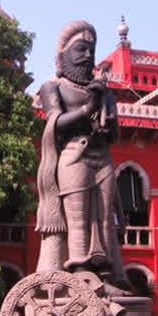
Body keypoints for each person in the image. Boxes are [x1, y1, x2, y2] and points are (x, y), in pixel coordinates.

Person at [35, 21, 128, 291]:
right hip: (73, 155)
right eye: (81, 49)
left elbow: (113, 135)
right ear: (63, 55)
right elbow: (55, 123)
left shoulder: (101, 90)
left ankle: (106, 275)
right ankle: (80, 274)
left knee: (104, 219)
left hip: (102, 157)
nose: (88, 55)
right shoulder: (53, 87)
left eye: (91, 50)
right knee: (77, 219)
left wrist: (106, 107)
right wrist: (90, 106)